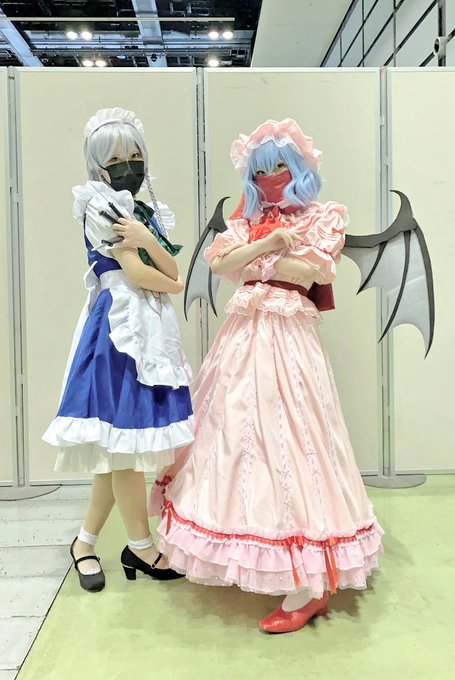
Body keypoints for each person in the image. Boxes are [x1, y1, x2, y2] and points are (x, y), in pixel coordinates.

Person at [150, 118, 383, 633]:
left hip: (291, 339)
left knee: (296, 438)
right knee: (233, 434)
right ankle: (250, 549)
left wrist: (254, 259)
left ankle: (310, 582)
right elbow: (219, 265)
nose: (271, 176)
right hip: (241, 340)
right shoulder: (248, 220)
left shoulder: (324, 216)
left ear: (299, 168)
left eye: (280, 166)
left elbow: (313, 271)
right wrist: (272, 243)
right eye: (261, 170)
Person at [43, 107, 193, 592]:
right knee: (124, 449)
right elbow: (143, 273)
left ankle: (84, 543)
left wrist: (151, 243)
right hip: (118, 331)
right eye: (114, 159)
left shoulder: (141, 211)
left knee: (117, 451)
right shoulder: (100, 207)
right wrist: (171, 278)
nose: (128, 165)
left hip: (146, 327)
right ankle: (141, 546)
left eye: (134, 155)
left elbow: (168, 267)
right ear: (96, 165)